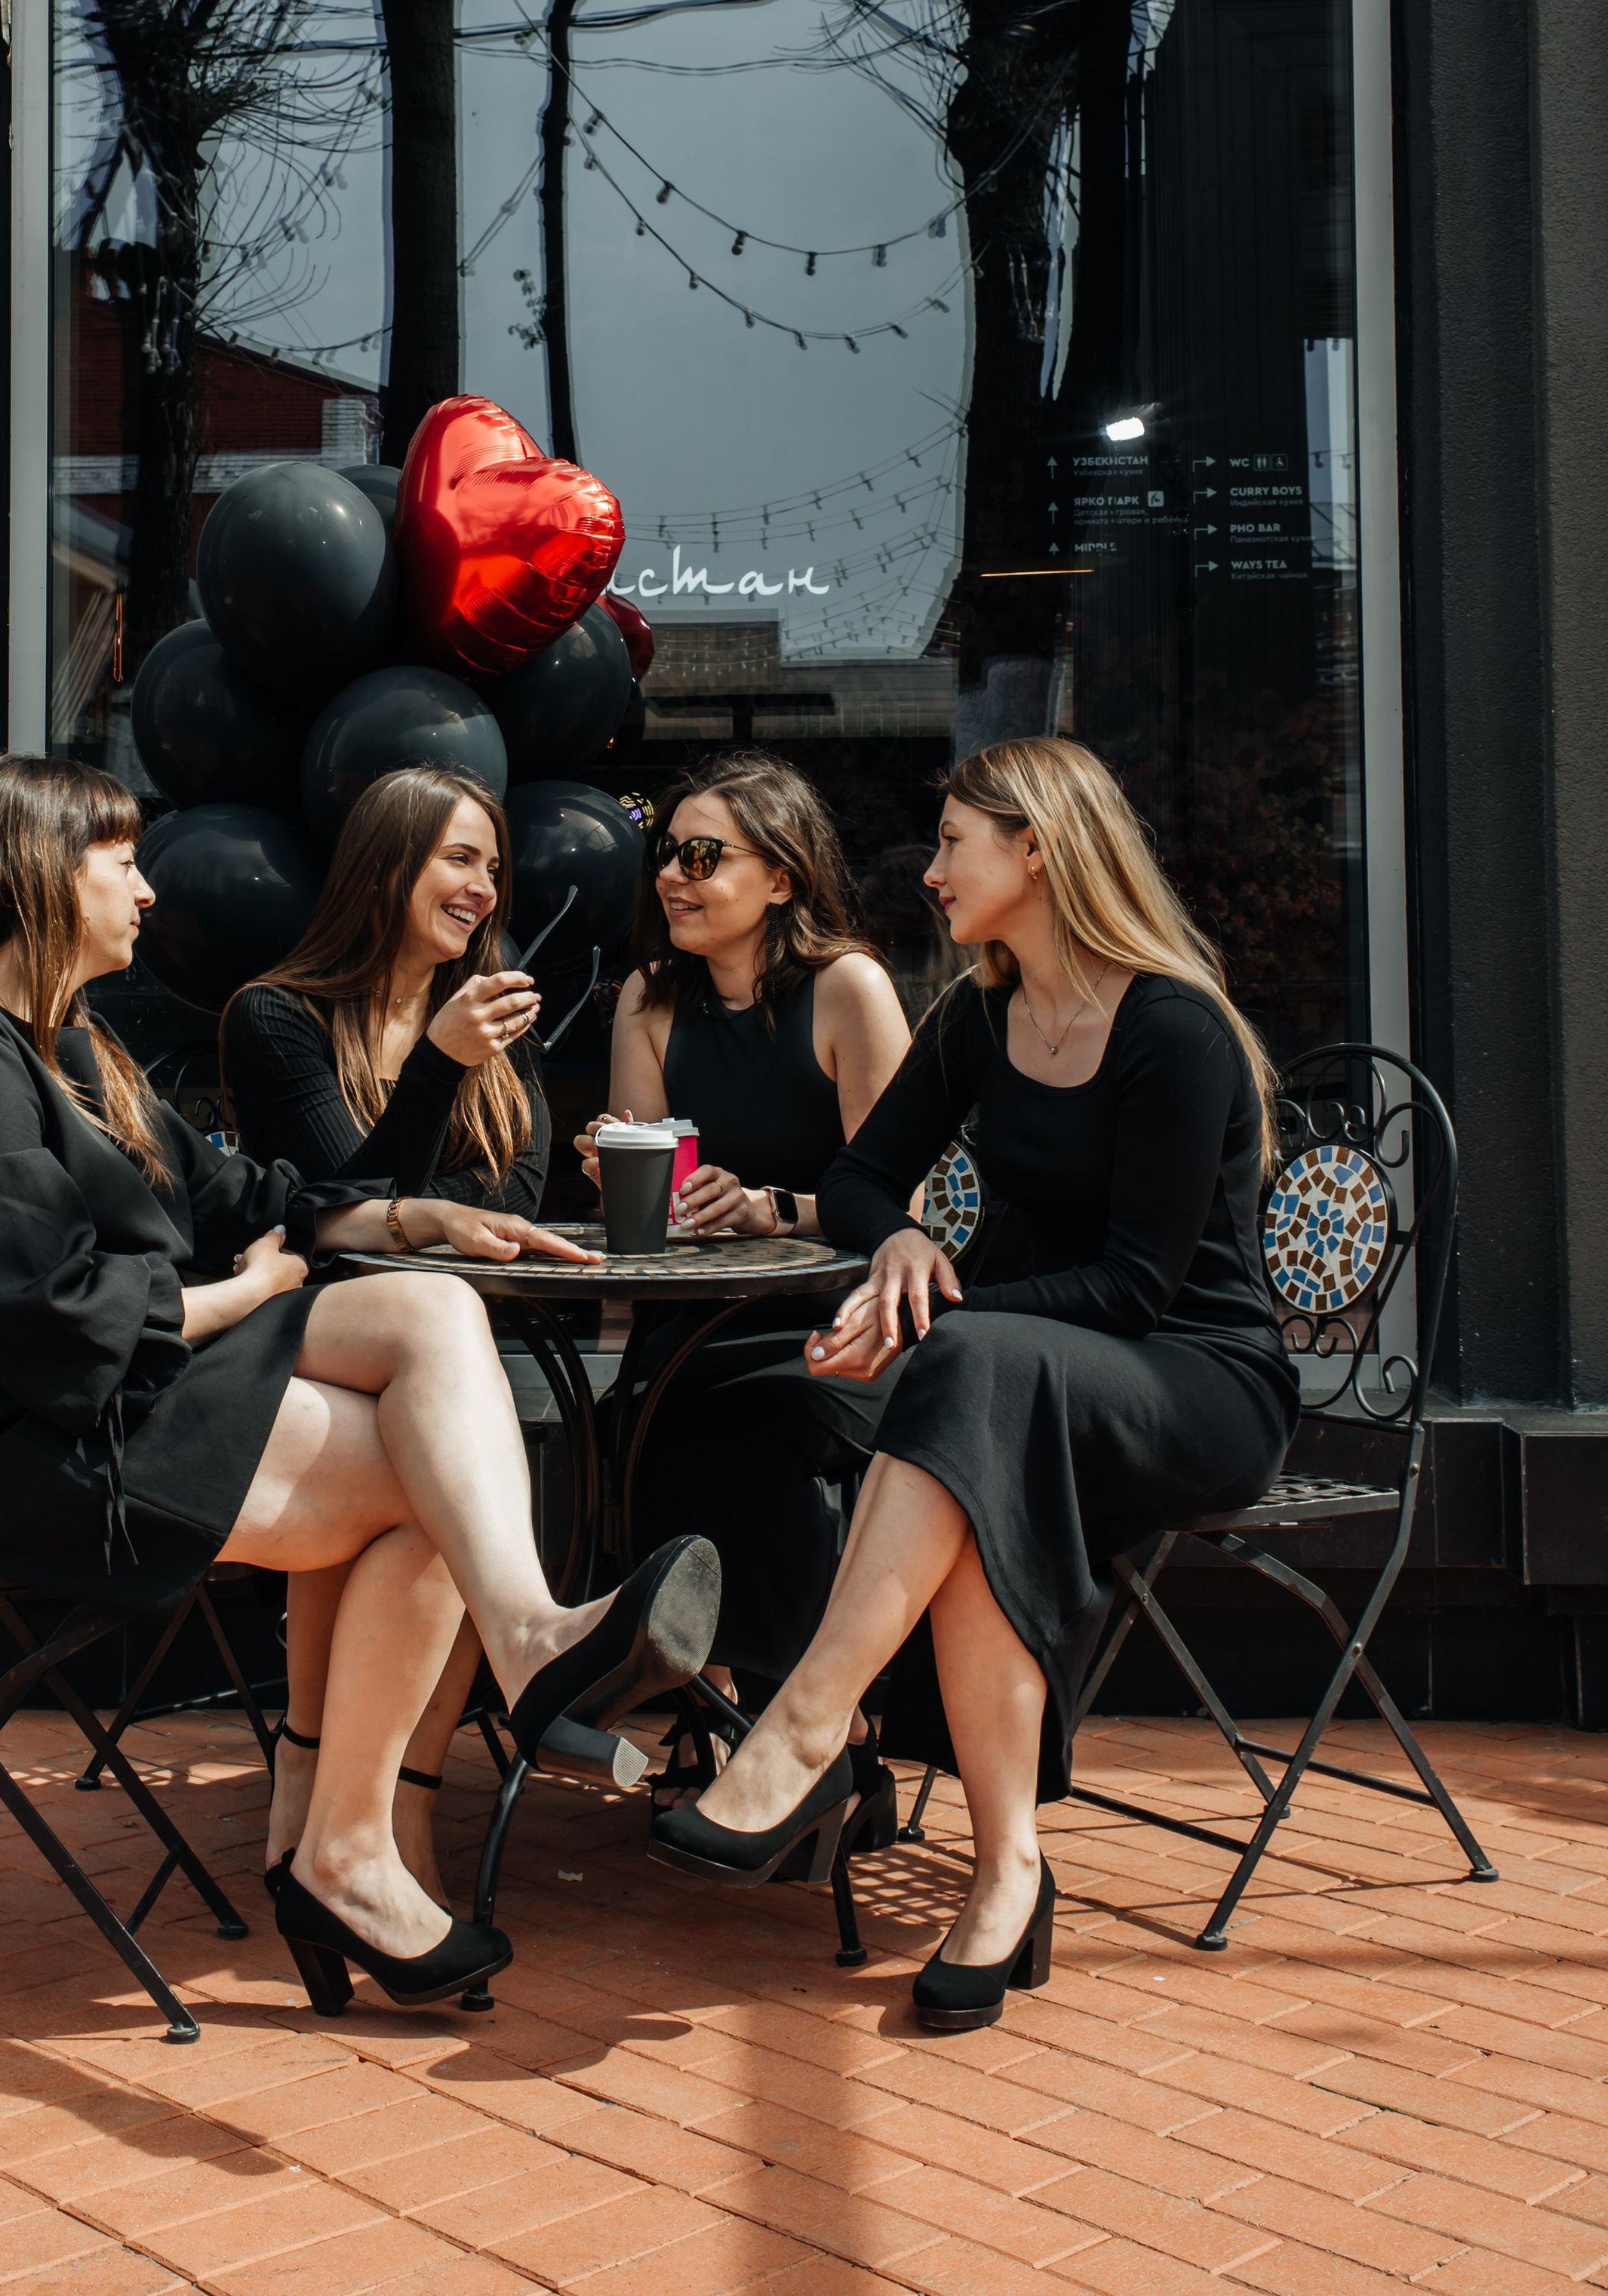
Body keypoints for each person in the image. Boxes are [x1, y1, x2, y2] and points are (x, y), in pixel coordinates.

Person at [0, 753, 721, 2017]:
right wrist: (248, 1298)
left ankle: (436, 1737)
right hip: (39, 1451)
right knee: (437, 1469)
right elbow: (56, 1322)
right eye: (122, 864)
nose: (148, 893)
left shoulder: (69, 1052)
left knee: (433, 1351)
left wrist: (416, 1215)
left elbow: (251, 1198)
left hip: (121, 1409)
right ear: (39, 874)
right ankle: (360, 1829)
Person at [649, 736, 1296, 2036]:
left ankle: (807, 1722)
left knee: (965, 1374)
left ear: (1038, 848)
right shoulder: (981, 1014)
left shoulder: (1173, 1028)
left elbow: (1134, 1289)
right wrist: (899, 1242)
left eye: (952, 841)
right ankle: (1007, 1870)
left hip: (1198, 1383)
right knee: (935, 1434)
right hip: (1019, 1377)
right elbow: (858, 1177)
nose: (929, 867)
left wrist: (933, 1321)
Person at [220, 766, 550, 1901]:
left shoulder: (491, 1010)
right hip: (317, 1333)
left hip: (470, 1344)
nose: (482, 885)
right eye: (461, 856)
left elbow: (517, 1194)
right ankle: (347, 1798)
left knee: (453, 1472)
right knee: (429, 1469)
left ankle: (384, 1807)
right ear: (391, 859)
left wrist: (450, 1097)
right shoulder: (277, 1016)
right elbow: (335, 1211)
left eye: (493, 866)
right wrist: (439, 1068)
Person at [575, 752, 909, 1787]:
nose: (674, 874)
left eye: (703, 854)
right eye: (666, 852)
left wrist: (777, 1208)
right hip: (699, 1322)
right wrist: (618, 1177)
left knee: (757, 1431)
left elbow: (907, 1209)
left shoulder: (847, 989)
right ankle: (710, 1697)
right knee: (633, 1424)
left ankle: (805, 1719)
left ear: (781, 877)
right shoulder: (650, 998)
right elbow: (651, 1202)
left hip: (841, 1322)